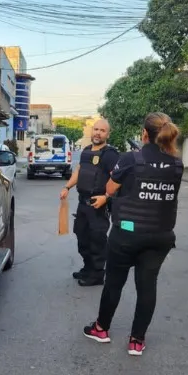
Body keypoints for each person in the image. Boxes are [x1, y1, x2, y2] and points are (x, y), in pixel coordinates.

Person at [83, 112, 183, 356]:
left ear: (144, 134)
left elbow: (110, 188)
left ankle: (101, 328)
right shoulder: (177, 163)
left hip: (127, 232)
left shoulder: (131, 159)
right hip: (160, 235)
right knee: (147, 286)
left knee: (114, 283)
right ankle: (137, 341)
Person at [60, 119, 119, 286]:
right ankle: (88, 268)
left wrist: (106, 197)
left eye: (102, 130)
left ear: (108, 134)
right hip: (82, 204)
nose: (98, 133)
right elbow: (79, 171)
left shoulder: (110, 154)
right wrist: (67, 187)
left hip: (98, 204)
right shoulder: (86, 151)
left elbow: (117, 179)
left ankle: (97, 274)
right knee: (82, 237)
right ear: (92, 131)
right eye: (96, 129)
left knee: (97, 240)